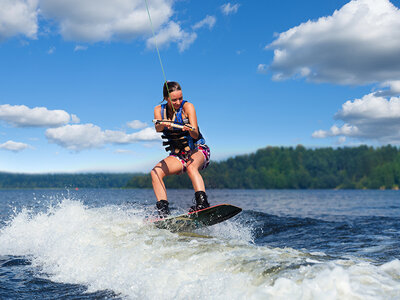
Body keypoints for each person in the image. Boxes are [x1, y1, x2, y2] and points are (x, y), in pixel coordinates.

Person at [151, 81, 211, 217]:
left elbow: (195, 134)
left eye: (180, 98)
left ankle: (202, 204)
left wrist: (190, 129)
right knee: (155, 172)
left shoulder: (188, 107)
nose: (178, 102)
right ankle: (163, 213)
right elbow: (158, 128)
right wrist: (165, 123)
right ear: (166, 99)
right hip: (179, 155)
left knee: (191, 167)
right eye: (174, 100)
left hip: (198, 150)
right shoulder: (158, 110)